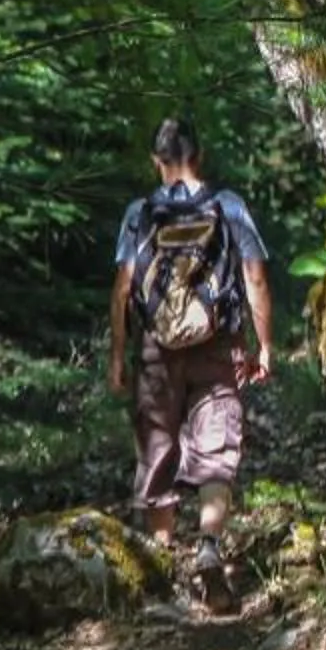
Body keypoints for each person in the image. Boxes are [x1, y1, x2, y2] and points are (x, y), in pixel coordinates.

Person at [107, 118, 274, 605]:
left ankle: (161, 564)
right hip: (218, 344)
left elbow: (123, 288)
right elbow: (255, 277)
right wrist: (264, 344)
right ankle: (208, 548)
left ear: (155, 162)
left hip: (156, 350)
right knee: (216, 449)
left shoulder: (140, 213)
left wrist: (118, 354)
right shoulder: (228, 206)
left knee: (157, 448)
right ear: (199, 156)